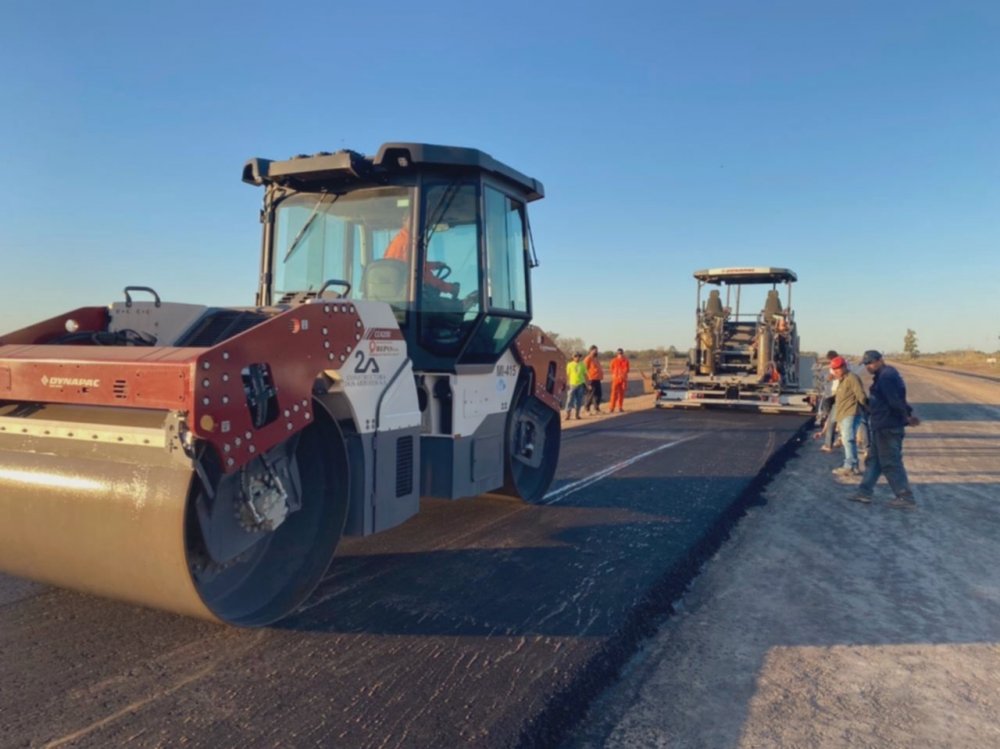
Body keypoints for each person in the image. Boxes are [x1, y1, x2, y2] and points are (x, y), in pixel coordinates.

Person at [850, 350, 920, 509]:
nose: (868, 366)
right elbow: (897, 399)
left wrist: (906, 417)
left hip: (888, 426)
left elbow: (894, 400)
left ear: (880, 360)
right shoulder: (886, 375)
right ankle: (864, 492)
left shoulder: (886, 377)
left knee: (891, 462)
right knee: (874, 460)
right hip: (882, 425)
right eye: (866, 364)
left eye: (870, 363)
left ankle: (905, 497)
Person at [383, 213, 459, 296]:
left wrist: (434, 265)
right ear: (404, 221)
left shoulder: (398, 241)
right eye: (413, 220)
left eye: (420, 221)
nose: (417, 224)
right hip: (407, 294)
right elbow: (421, 275)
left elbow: (413, 265)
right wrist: (449, 288)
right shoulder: (408, 243)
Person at [829, 356, 868, 478]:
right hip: (844, 414)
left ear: (844, 367)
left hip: (850, 413)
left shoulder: (852, 378)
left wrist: (867, 409)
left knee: (848, 440)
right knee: (848, 440)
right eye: (834, 369)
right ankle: (853, 466)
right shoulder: (842, 379)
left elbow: (861, 395)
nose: (835, 371)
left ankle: (849, 466)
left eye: (838, 368)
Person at [813, 350, 840, 452]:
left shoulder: (838, 366)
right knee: (832, 417)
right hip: (835, 391)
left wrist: (829, 377)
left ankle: (829, 444)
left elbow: (834, 376)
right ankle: (834, 440)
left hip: (838, 393)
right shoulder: (840, 365)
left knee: (832, 418)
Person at [565, 352, 587, 420]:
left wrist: (588, 384)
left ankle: (577, 414)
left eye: (579, 356)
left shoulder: (582, 364)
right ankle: (568, 414)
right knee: (569, 400)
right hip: (572, 384)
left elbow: (585, 374)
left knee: (579, 400)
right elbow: (567, 375)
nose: (577, 358)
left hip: (580, 384)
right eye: (575, 356)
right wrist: (566, 383)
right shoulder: (569, 365)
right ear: (573, 357)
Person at [583, 345, 604, 414]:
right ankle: (587, 409)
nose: (596, 351)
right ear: (590, 351)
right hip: (591, 379)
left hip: (597, 379)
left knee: (598, 394)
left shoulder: (596, 359)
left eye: (596, 350)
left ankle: (596, 408)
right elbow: (584, 370)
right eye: (594, 350)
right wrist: (587, 381)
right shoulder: (588, 359)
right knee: (590, 395)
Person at [609, 348, 630, 413]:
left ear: (622, 353)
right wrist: (615, 375)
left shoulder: (626, 361)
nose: (620, 354)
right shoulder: (614, 361)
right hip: (616, 379)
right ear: (617, 354)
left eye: (621, 353)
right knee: (613, 394)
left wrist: (623, 375)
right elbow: (611, 369)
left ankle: (620, 407)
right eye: (618, 353)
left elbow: (627, 370)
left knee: (621, 394)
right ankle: (612, 408)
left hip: (623, 380)